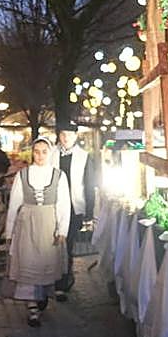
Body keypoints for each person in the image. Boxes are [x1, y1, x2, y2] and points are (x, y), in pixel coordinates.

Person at [4, 137, 71, 326]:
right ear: (32, 153)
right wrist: (9, 232)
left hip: (49, 223)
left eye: (44, 152)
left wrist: (62, 229)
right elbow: (14, 204)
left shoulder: (59, 175)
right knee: (28, 261)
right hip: (27, 224)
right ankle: (32, 306)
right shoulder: (23, 174)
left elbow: (64, 204)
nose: (40, 155)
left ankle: (42, 296)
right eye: (36, 151)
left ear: (50, 153)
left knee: (45, 262)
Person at [53, 126, 97, 301]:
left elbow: (89, 184)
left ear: (75, 136)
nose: (65, 138)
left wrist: (89, 211)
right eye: (63, 134)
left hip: (73, 207)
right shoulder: (51, 154)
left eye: (69, 135)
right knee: (53, 245)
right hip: (53, 206)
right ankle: (56, 279)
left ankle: (63, 281)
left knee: (67, 244)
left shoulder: (84, 156)